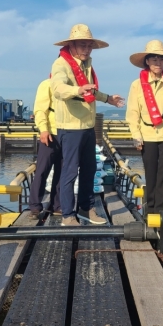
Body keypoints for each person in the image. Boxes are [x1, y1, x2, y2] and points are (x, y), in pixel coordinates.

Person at [50, 24, 124, 226]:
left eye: (89, 46)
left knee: (90, 169)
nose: (86, 49)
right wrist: (77, 90)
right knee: (70, 171)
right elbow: (58, 88)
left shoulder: (86, 66)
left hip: (87, 126)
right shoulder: (61, 64)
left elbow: (91, 91)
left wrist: (108, 99)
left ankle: (86, 207)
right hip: (70, 127)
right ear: (71, 45)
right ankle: (67, 214)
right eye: (82, 45)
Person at [126, 40, 163, 215]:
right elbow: (133, 112)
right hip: (147, 135)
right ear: (147, 62)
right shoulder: (136, 85)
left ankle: (161, 213)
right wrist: (136, 134)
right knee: (151, 174)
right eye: (154, 59)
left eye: (161, 59)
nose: (158, 63)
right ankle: (150, 211)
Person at [29, 77, 62, 219]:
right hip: (49, 134)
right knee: (42, 170)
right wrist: (43, 129)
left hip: (67, 134)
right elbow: (40, 110)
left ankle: (58, 205)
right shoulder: (46, 84)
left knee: (63, 172)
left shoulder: (72, 87)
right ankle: (35, 206)